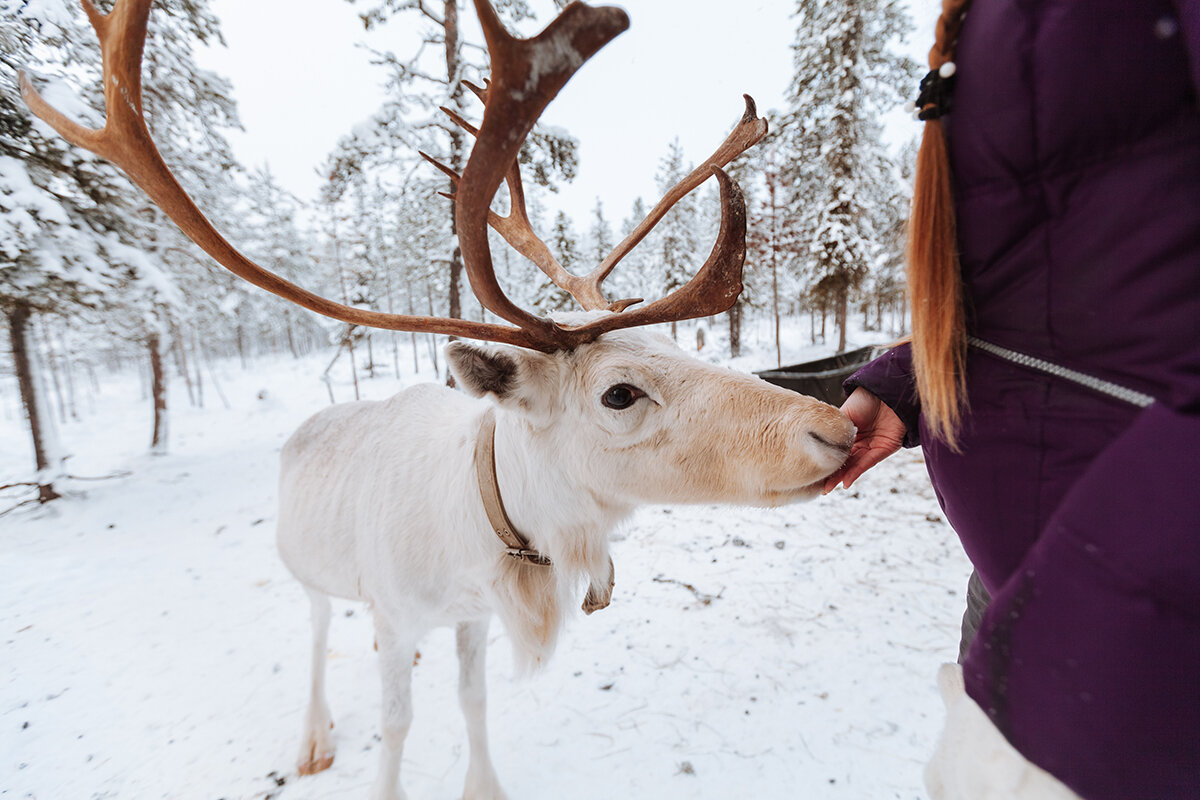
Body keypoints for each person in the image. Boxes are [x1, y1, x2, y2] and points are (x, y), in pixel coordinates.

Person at [822, 1, 1200, 798]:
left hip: (1143, 659)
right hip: (1019, 600)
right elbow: (1038, 289)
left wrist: (1084, 630)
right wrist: (913, 381)